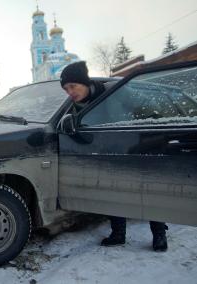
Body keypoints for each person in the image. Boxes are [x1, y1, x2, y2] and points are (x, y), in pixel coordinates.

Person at [60, 61, 168, 252]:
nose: (69, 92)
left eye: (72, 86)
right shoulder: (74, 106)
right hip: (107, 153)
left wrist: (143, 134)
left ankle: (159, 234)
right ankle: (118, 234)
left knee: (149, 192)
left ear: (84, 82)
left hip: (135, 148)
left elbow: (149, 107)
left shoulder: (115, 92)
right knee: (113, 193)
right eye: (66, 88)